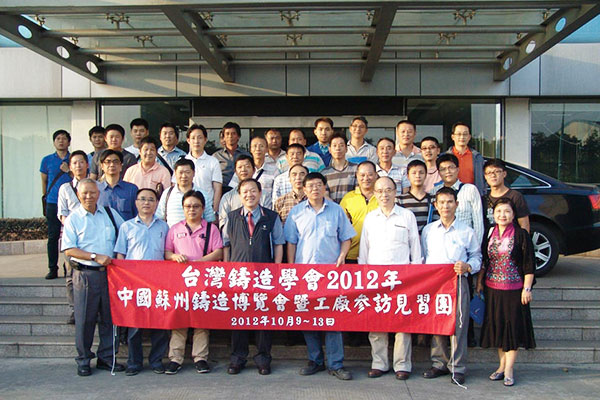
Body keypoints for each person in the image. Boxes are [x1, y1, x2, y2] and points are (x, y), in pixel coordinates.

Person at [284, 172, 356, 381]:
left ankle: (336, 364)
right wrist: (292, 268)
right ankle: (315, 360)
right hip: (305, 274)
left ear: (325, 187)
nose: (314, 189)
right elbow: (291, 242)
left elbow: (346, 238)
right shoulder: (296, 212)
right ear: (304, 190)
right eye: (310, 186)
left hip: (330, 275)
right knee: (308, 318)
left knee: (333, 319)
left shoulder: (337, 211)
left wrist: (342, 256)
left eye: (318, 185)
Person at [359, 176, 422, 380]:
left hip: (402, 279)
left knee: (402, 322)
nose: (384, 195)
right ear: (374, 194)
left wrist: (416, 276)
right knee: (376, 322)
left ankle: (402, 365)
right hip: (376, 279)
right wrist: (364, 277)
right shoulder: (370, 218)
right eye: (379, 191)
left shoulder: (407, 216)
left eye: (388, 190)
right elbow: (364, 250)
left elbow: (415, 247)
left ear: (395, 192)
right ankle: (379, 363)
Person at [61, 178, 125, 376]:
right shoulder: (73, 218)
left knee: (110, 319)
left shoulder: (109, 214)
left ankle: (107, 358)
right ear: (78, 195)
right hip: (85, 275)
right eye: (84, 193)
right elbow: (69, 249)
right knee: (85, 320)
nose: (89, 196)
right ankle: (83, 360)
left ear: (99, 194)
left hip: (111, 275)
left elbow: (126, 232)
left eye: (92, 192)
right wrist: (94, 256)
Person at [223, 178, 285, 375]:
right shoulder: (232, 217)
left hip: (264, 277)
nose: (249, 195)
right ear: (239, 195)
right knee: (239, 318)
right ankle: (237, 358)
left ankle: (263, 359)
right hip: (239, 276)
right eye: (245, 192)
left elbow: (278, 244)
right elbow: (226, 245)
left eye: (253, 191)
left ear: (260, 193)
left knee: (263, 319)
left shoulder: (271, 217)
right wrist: (227, 269)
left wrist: (276, 270)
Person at [421, 187, 482, 386]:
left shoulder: (466, 231)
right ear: (435, 205)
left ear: (457, 204)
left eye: (449, 202)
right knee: (436, 322)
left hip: (457, 282)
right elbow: (423, 256)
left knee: (459, 325)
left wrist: (468, 266)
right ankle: (439, 363)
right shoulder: (429, 230)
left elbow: (477, 256)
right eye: (442, 202)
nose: (445, 206)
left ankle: (458, 367)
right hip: (434, 284)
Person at [476, 198, 536, 387]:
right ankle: (501, 366)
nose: (503, 215)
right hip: (492, 289)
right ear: (493, 214)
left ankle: (509, 369)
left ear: (513, 214)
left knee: (512, 328)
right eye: (499, 211)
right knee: (499, 327)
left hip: (514, 290)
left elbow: (529, 264)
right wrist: (479, 282)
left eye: (507, 211)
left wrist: (527, 288)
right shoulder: (489, 232)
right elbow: (484, 260)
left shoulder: (521, 235)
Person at [164, 190, 223, 374]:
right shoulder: (175, 229)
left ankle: (200, 358)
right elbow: (166, 252)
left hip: (203, 281)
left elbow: (219, 252)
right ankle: (175, 358)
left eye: (196, 206)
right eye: (188, 206)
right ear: (183, 208)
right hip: (179, 281)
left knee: (201, 320)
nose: (192, 209)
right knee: (179, 319)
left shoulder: (211, 229)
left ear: (203, 208)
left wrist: (200, 262)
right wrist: (174, 257)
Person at [114, 188, 170, 376]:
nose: (147, 203)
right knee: (135, 325)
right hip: (134, 283)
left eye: (151, 199)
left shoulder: (164, 227)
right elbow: (120, 255)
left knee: (160, 324)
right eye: (143, 199)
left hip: (159, 283)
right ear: (136, 202)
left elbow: (167, 253)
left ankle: (156, 361)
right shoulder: (127, 227)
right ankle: (134, 362)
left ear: (157, 204)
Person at [57, 150, 89, 324]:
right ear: (70, 167)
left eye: (81, 162)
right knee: (71, 275)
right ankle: (75, 310)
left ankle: (93, 309)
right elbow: (62, 214)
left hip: (91, 236)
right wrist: (73, 228)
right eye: (75, 163)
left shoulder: (95, 186)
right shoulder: (65, 188)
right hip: (71, 238)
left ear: (87, 164)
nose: (78, 166)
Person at [40, 129, 71, 279]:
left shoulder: (74, 158)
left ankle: (69, 267)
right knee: (53, 237)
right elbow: (44, 181)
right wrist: (45, 198)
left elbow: (80, 177)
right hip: (53, 202)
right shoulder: (46, 160)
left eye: (64, 138)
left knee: (71, 236)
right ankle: (53, 268)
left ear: (69, 142)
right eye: (58, 139)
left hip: (71, 203)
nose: (61, 141)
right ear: (54, 142)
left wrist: (68, 170)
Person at [433, 153, 484, 245]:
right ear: (439, 173)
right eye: (443, 169)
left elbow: (478, 223)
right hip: (442, 244)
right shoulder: (434, 192)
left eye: (451, 167)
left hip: (466, 243)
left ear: (457, 169)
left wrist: (476, 247)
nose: (448, 171)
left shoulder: (470, 189)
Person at [339, 161, 379, 263]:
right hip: (351, 254)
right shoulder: (348, 198)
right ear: (357, 176)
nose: (366, 178)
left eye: (370, 174)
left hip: (377, 253)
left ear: (376, 175)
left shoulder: (382, 197)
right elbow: (340, 226)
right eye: (362, 175)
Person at [157, 158, 214, 226]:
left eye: (187, 172)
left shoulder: (203, 195)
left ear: (194, 173)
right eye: (180, 172)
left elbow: (209, 220)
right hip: (173, 232)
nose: (184, 176)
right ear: (175, 174)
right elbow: (159, 218)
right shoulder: (167, 193)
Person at [228, 136, 277, 208]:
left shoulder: (274, 170)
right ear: (250, 149)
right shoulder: (242, 170)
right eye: (255, 146)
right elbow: (233, 191)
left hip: (266, 206)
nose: (258, 149)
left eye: (261, 146)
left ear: (267, 149)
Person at [483, 159, 530, 232]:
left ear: (504, 174)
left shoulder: (515, 196)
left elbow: (524, 224)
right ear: (485, 176)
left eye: (497, 171)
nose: (493, 175)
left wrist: (523, 238)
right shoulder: (484, 199)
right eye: (489, 173)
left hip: (512, 237)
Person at [184, 124, 222, 217]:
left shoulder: (213, 161)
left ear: (205, 140)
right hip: (187, 209)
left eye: (200, 138)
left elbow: (217, 188)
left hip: (207, 209)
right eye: (193, 138)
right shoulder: (182, 162)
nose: (196, 141)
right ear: (188, 140)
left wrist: (214, 211)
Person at [218, 155, 261, 230]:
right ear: (235, 171)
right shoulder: (227, 197)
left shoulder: (262, 194)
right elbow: (223, 223)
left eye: (247, 166)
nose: (243, 170)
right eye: (240, 167)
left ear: (254, 170)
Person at [96, 150, 138, 221]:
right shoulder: (96, 189)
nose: (112, 165)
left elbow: (137, 215)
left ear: (121, 166)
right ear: (102, 166)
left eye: (115, 162)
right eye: (108, 162)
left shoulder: (132, 189)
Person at [397, 159, 436, 233]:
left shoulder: (433, 199)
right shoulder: (399, 200)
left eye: (421, 173)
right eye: (414, 173)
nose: (418, 176)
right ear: (408, 176)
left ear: (426, 175)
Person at [446, 122, 485, 195]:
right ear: (453, 137)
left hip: (472, 195)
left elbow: (484, 179)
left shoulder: (477, 157)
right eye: (459, 134)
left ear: (469, 137)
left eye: (465, 134)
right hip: (450, 195)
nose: (462, 137)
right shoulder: (445, 157)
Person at [322, 133, 357, 203]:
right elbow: (325, 195)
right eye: (334, 146)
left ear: (346, 149)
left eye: (341, 145)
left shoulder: (356, 169)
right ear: (329, 149)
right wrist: (336, 208)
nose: (338, 148)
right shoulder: (324, 173)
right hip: (332, 208)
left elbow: (358, 193)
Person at [213, 121, 250, 188]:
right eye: (227, 134)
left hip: (242, 189)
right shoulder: (216, 156)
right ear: (223, 137)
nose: (230, 136)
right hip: (222, 190)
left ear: (238, 136)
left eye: (233, 133)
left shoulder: (246, 155)